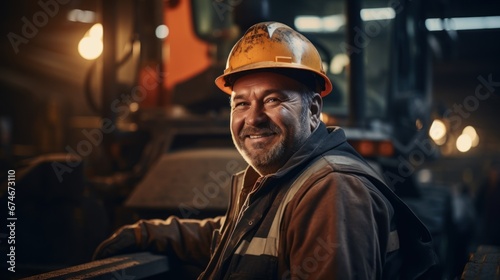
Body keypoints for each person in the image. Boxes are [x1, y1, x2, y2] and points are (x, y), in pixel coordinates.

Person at [93, 21, 438, 279]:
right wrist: (149, 233)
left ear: (314, 111)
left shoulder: (333, 191)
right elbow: (237, 240)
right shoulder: (279, 179)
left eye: (273, 99)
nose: (253, 118)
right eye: (240, 103)